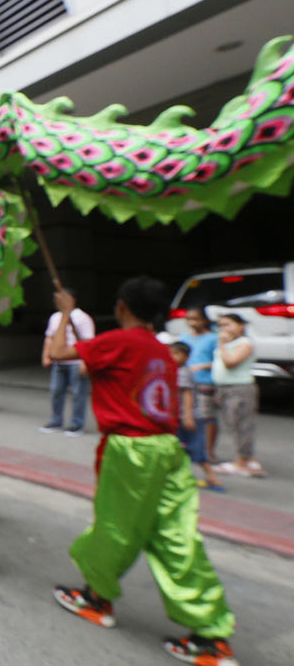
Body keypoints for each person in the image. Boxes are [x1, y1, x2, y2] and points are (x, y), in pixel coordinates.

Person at [49, 277, 236, 665]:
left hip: (132, 449)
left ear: (121, 308)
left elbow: (57, 351)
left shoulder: (119, 341)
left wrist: (66, 311)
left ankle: (96, 598)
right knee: (177, 536)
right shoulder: (162, 350)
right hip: (168, 450)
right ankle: (212, 634)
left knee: (115, 527)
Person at [212, 314, 264, 477]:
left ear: (241, 326)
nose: (223, 329)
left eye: (228, 324)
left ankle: (242, 462)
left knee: (242, 425)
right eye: (221, 325)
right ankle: (248, 459)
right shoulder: (230, 344)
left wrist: (221, 343)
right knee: (234, 425)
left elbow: (230, 362)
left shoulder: (245, 343)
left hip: (239, 389)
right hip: (225, 388)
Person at [40, 288, 95, 436]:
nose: (56, 300)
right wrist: (46, 355)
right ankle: (56, 420)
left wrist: (85, 362)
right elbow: (49, 337)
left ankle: (77, 424)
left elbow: (88, 342)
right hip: (59, 362)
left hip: (76, 362)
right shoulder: (55, 317)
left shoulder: (82, 317)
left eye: (60, 297)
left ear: (71, 299)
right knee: (56, 392)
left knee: (78, 394)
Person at [169, 342, 224, 491]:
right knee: (177, 448)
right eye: (170, 353)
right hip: (178, 417)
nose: (172, 357)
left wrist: (187, 416)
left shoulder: (182, 372)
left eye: (176, 354)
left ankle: (211, 477)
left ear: (186, 357)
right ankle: (178, 476)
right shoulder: (175, 370)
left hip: (188, 417)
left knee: (196, 447)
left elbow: (187, 394)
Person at [179, 307, 221, 463]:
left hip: (205, 381)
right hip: (186, 382)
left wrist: (203, 366)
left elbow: (219, 360)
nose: (192, 322)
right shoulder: (184, 337)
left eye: (196, 319)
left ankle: (208, 451)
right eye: (189, 319)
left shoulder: (212, 338)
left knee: (207, 417)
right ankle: (189, 448)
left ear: (204, 320)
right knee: (186, 415)